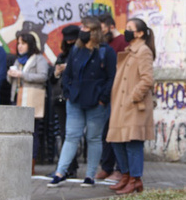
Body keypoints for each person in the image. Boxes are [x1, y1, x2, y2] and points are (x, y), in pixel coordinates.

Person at [47, 16, 116, 188]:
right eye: (82, 28)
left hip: (96, 103)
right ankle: (60, 172)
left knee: (93, 138)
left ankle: (90, 176)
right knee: (71, 136)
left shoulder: (105, 51)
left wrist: (103, 99)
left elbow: (111, 78)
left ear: (94, 32)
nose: (82, 31)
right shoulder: (76, 50)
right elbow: (68, 73)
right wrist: (68, 92)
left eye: (86, 28)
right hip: (75, 101)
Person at [106, 18, 156, 195]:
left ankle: (135, 179)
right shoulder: (129, 51)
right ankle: (126, 176)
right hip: (121, 106)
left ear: (140, 33)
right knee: (117, 142)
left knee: (133, 144)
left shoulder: (143, 51)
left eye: (129, 28)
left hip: (135, 106)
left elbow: (147, 79)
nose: (125, 31)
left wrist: (132, 97)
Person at [95, 14, 129, 182]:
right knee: (106, 132)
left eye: (101, 29)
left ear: (110, 26)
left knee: (117, 132)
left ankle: (120, 170)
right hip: (108, 93)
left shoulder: (123, 42)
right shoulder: (104, 45)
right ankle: (106, 167)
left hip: (120, 93)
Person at [7, 32, 48, 175]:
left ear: (30, 45)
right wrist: (11, 74)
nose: (20, 46)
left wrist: (22, 74)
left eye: (23, 43)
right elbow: (11, 82)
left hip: (31, 99)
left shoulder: (38, 59)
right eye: (18, 43)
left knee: (32, 132)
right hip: (17, 98)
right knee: (17, 132)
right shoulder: (18, 60)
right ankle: (18, 162)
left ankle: (31, 164)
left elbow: (43, 76)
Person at [49, 25, 80, 177]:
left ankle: (70, 167)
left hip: (75, 98)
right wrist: (56, 72)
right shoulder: (62, 56)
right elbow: (51, 80)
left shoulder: (81, 54)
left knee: (72, 134)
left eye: (72, 40)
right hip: (60, 99)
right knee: (64, 133)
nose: (70, 43)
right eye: (67, 40)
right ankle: (67, 166)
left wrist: (70, 68)